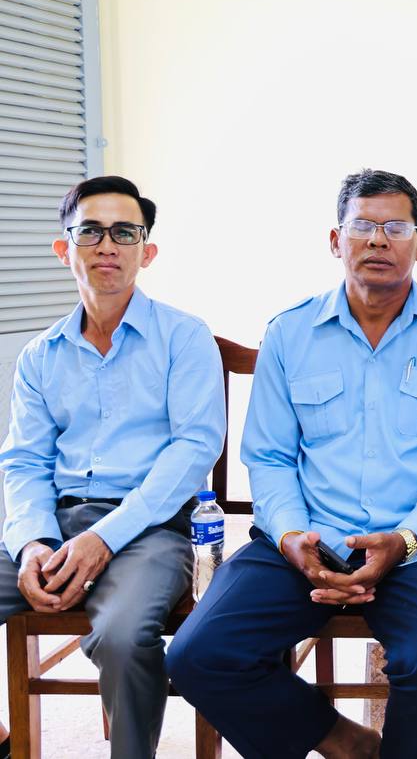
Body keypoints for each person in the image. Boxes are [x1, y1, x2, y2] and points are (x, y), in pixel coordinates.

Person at [167, 169, 417, 759]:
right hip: (305, 538)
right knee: (197, 654)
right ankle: (344, 741)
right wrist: (292, 536)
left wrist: (405, 538)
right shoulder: (290, 332)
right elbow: (269, 456)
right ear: (335, 240)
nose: (378, 240)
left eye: (396, 228)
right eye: (362, 226)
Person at [0, 176, 225, 758]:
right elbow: (25, 462)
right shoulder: (40, 355)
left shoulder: (184, 338)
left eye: (125, 232)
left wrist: (104, 538)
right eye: (91, 232)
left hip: (152, 528)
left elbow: (194, 449)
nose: (107, 245)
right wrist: (31, 542)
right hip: (57, 523)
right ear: (64, 248)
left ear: (146, 251)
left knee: (123, 637)